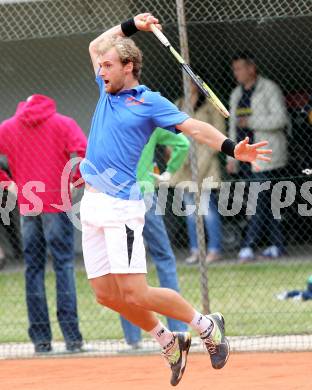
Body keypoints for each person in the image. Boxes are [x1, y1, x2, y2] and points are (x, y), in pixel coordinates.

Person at [80, 13, 271, 386]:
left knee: (134, 292)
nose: (100, 69)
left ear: (128, 67)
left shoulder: (148, 101)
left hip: (121, 206)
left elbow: (195, 127)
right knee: (106, 294)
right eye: (100, 65)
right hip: (91, 204)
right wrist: (133, 23)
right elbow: (93, 44)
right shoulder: (106, 91)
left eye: (108, 65)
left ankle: (205, 325)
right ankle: (168, 340)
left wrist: (233, 148)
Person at [0, 94, 86, 353]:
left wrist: (8, 184)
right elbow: (84, 151)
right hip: (57, 202)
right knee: (64, 265)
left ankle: (41, 339)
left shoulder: (8, 127)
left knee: (33, 269)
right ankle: (72, 338)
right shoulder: (63, 123)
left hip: (28, 204)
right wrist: (76, 181)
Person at [120, 127, 190, 348]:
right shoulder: (150, 122)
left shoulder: (111, 119)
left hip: (119, 197)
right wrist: (169, 171)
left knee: (126, 267)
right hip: (145, 194)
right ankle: (179, 330)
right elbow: (184, 144)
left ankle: (133, 338)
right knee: (164, 258)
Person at [227, 52, 290, 262]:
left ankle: (248, 245)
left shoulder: (269, 88)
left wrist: (251, 122)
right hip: (245, 156)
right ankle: (277, 245)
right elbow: (232, 127)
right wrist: (232, 156)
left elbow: (280, 119)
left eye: (239, 68)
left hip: (266, 155)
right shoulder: (236, 94)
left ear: (251, 68)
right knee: (268, 202)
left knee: (259, 200)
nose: (236, 73)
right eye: (234, 69)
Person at [171, 83, 226, 265]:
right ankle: (196, 250)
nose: (187, 82)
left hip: (206, 163)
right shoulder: (178, 104)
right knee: (190, 211)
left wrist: (205, 158)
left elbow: (220, 134)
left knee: (207, 209)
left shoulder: (210, 104)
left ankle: (214, 249)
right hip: (184, 165)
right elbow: (169, 132)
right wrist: (173, 153)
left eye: (190, 79)